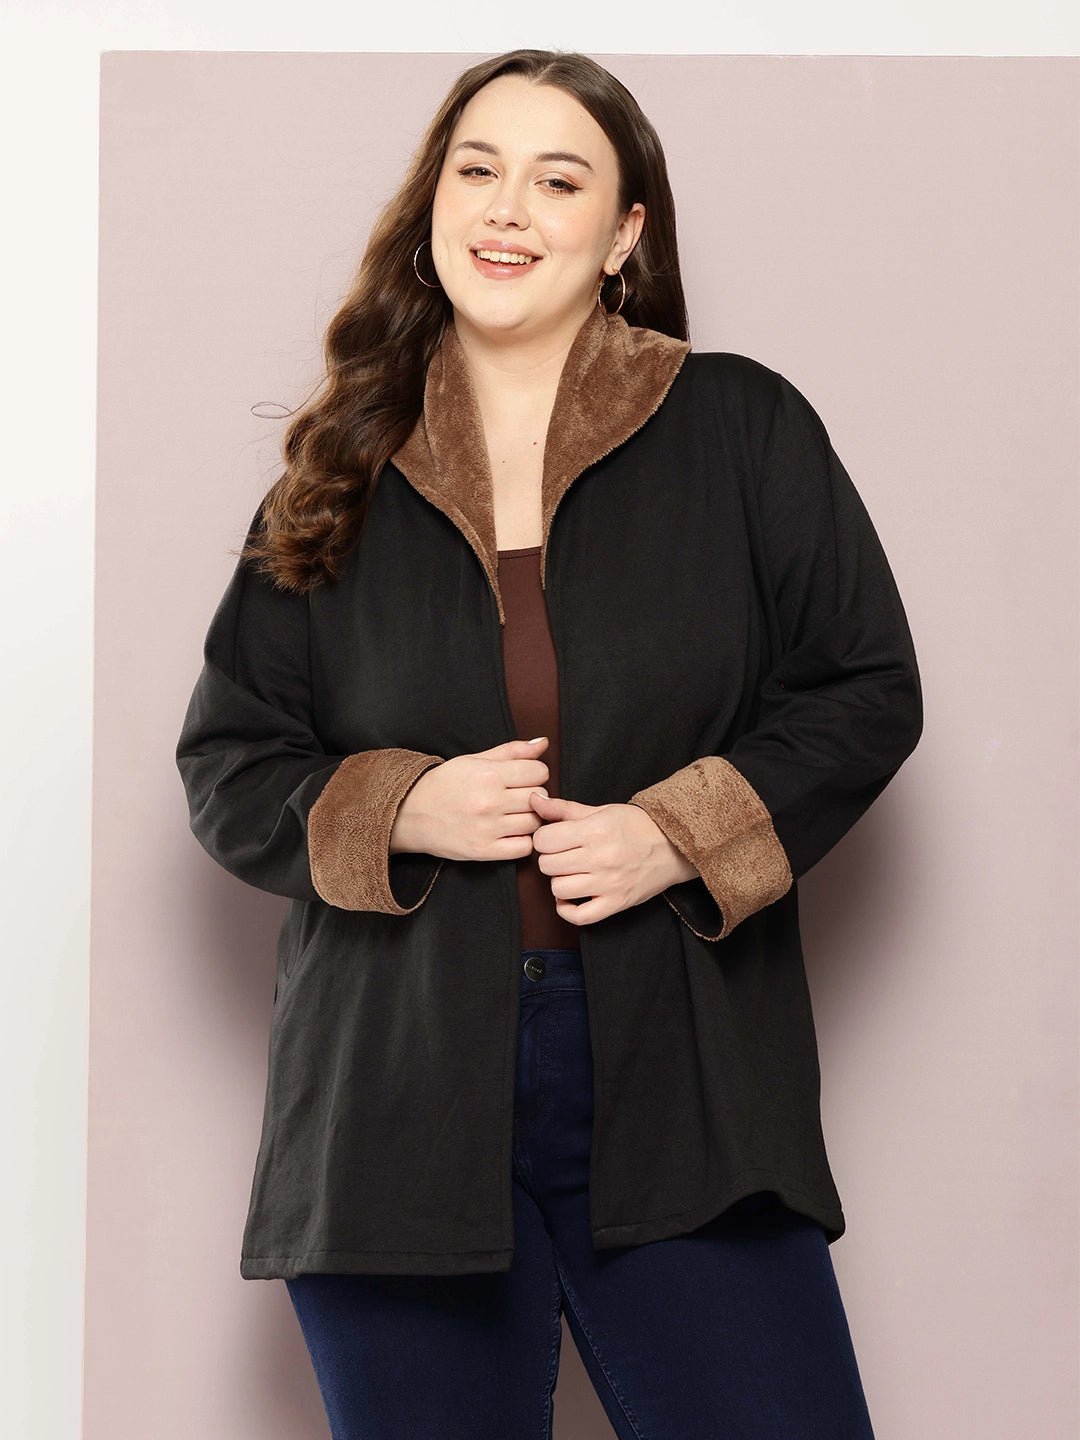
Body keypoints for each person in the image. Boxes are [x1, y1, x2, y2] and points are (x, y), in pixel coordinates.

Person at [176, 47, 921, 1440]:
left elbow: (864, 687)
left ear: (624, 234)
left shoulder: (738, 425)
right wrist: (405, 809)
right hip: (394, 1099)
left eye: (558, 179)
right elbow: (228, 761)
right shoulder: (342, 466)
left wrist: (676, 833)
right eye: (478, 168)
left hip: (684, 1073)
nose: (508, 207)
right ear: (434, 204)